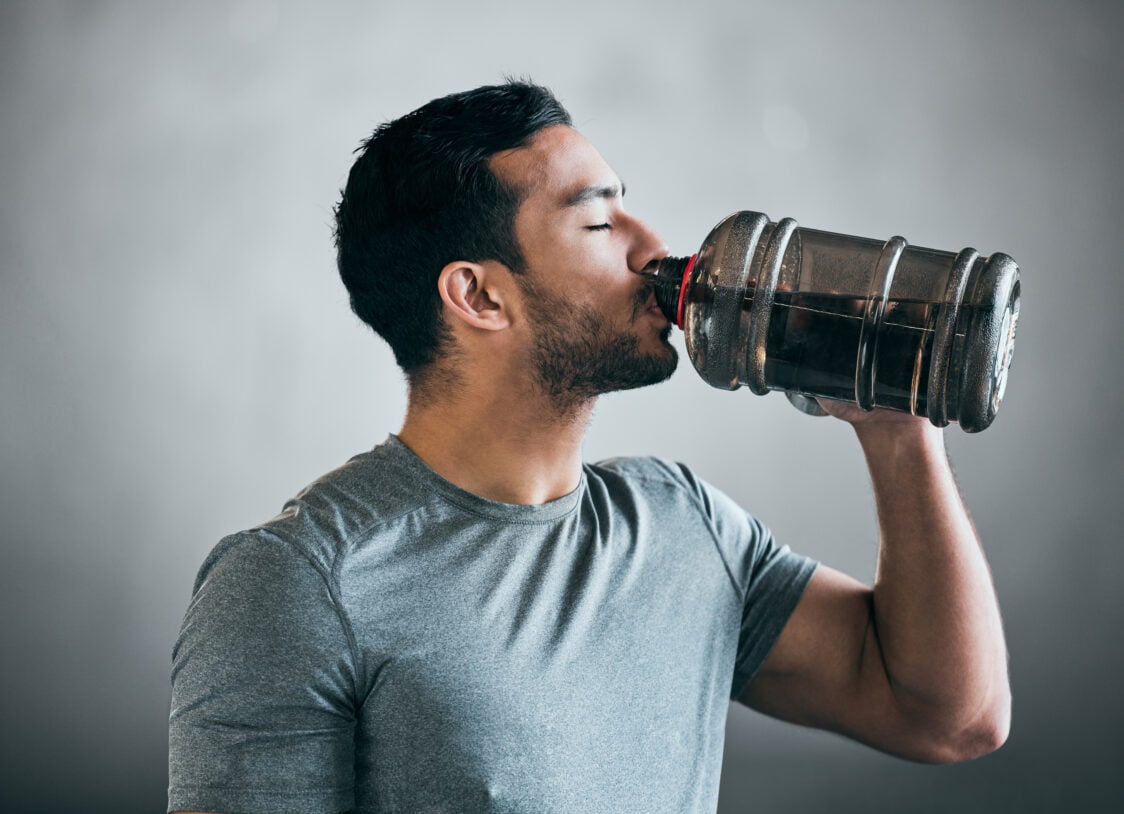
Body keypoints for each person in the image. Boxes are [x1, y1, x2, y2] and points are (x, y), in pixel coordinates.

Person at [167, 80, 1010, 814]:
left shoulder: (685, 526)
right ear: (481, 296)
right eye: (601, 222)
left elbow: (948, 716)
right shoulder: (298, 583)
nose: (653, 249)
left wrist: (895, 428)